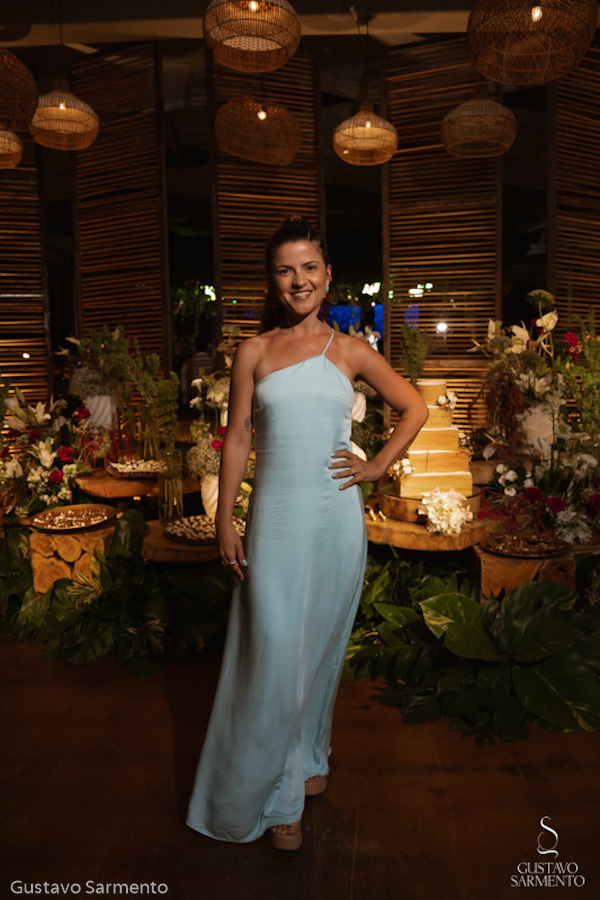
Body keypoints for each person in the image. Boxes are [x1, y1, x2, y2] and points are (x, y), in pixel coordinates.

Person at [186, 215, 429, 851]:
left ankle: (298, 772)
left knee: (316, 654)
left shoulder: (351, 350)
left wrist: (376, 466)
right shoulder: (254, 351)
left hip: (334, 521)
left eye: (309, 268)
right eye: (286, 270)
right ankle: (274, 789)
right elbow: (238, 438)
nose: (299, 280)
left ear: (327, 275)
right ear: (273, 280)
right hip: (274, 523)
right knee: (273, 654)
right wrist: (225, 518)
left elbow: (416, 407)